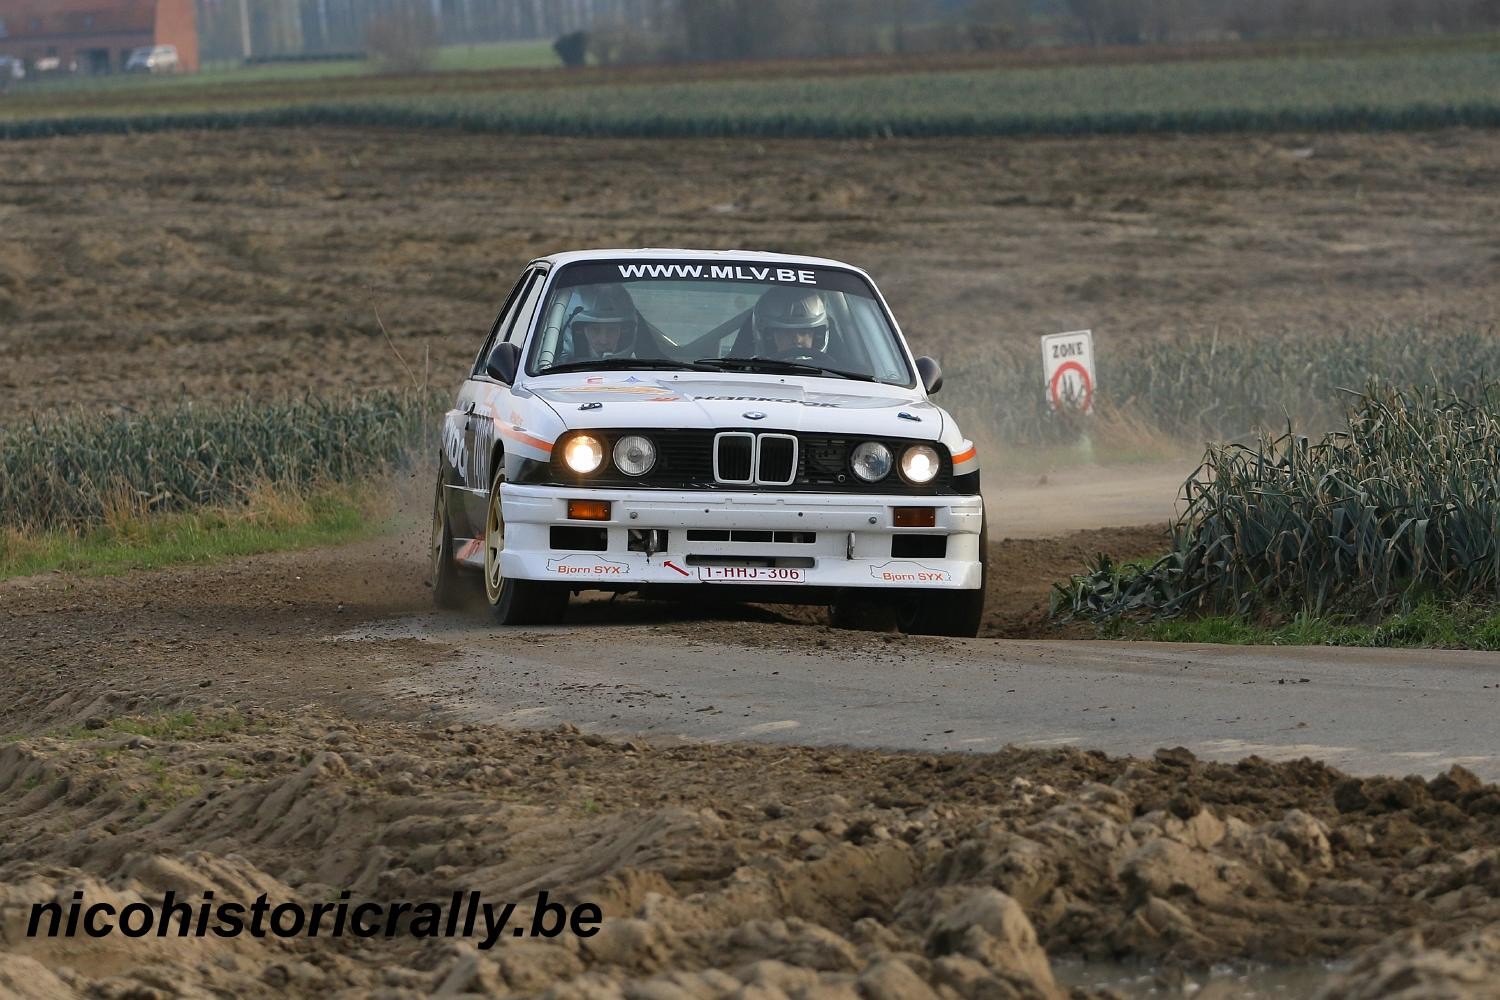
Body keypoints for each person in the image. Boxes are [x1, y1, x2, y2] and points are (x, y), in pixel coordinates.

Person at [558, 283, 642, 362]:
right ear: (583, 331)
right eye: (595, 330)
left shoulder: (642, 364)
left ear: (623, 332)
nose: (603, 341)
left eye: (611, 330)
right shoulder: (553, 365)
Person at [752, 287, 829, 361]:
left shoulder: (833, 371)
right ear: (769, 337)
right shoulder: (750, 372)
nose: (797, 340)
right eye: (787, 332)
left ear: (817, 337)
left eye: (803, 332)